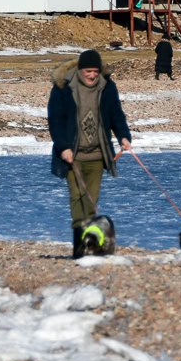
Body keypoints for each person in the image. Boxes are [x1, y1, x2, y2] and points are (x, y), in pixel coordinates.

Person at [47, 49, 132, 258]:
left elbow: (116, 115)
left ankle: (92, 245)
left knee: (91, 200)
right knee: (77, 197)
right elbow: (55, 121)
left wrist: (123, 136)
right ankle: (79, 248)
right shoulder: (63, 88)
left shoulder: (108, 87)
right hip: (72, 155)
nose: (92, 75)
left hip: (97, 154)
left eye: (95, 71)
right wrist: (63, 147)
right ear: (80, 70)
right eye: (88, 71)